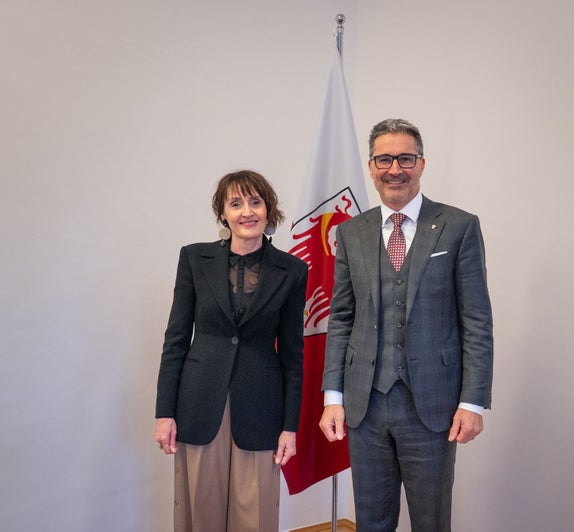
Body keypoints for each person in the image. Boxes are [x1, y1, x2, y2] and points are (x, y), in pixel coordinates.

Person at [319, 119, 494, 531]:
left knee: (431, 521)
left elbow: (476, 320)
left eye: (405, 158)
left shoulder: (459, 226)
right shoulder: (351, 233)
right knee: (371, 522)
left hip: (432, 405)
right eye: (384, 159)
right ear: (371, 167)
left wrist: (472, 402)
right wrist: (333, 396)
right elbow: (341, 317)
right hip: (365, 406)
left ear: (422, 163)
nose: (394, 169)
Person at [154, 170, 307, 532]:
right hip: (198, 402)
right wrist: (164, 413)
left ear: (269, 209)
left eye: (255, 202)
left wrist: (290, 427)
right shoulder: (194, 258)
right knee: (200, 509)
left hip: (261, 407)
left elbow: (293, 356)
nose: (247, 212)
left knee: (255, 514)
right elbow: (175, 340)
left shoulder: (292, 270)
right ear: (223, 213)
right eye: (236, 203)